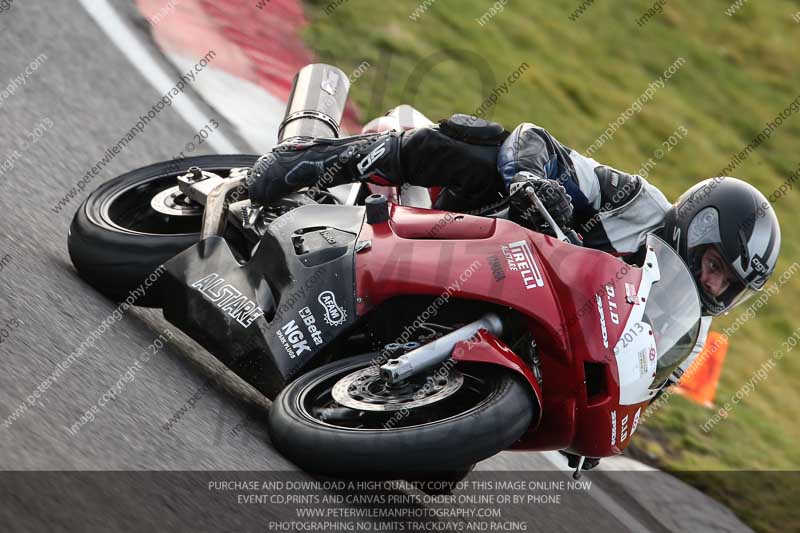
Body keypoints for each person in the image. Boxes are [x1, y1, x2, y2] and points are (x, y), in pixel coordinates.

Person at [247, 113, 782, 466]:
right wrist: (530, 180)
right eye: (714, 264)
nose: (713, 284)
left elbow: (643, 389)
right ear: (696, 228)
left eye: (728, 284)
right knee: (473, 140)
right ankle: (303, 159)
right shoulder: (638, 204)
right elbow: (535, 140)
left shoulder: (689, 332)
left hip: (527, 332)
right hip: (472, 228)